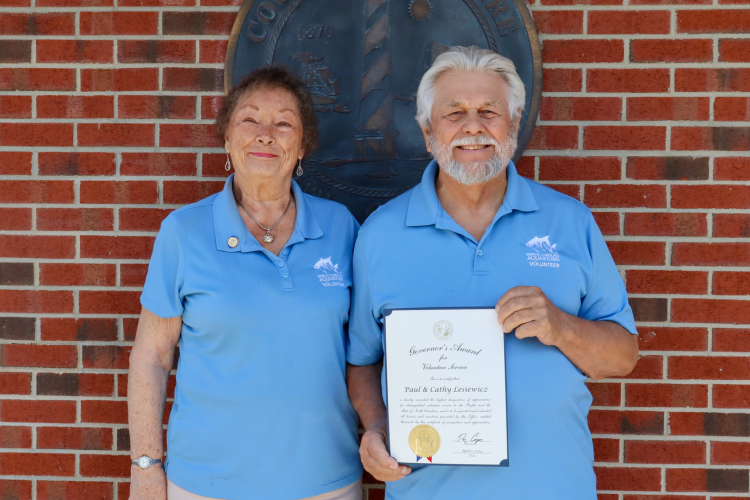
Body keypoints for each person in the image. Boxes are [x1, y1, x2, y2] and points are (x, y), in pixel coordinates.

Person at [346, 46, 639, 499]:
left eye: (489, 111)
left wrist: (561, 326)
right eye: (454, 113)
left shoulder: (570, 222)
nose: (472, 127)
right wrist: (378, 428)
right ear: (427, 132)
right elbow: (362, 360)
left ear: (514, 126)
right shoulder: (380, 235)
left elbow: (622, 356)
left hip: (553, 488)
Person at [127, 66, 362, 500]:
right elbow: (151, 357)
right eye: (250, 120)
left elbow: (365, 351)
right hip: (206, 484)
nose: (265, 134)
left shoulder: (341, 228)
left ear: (303, 145)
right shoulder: (183, 232)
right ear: (226, 139)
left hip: (326, 480)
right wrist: (145, 467)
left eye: (284, 123)